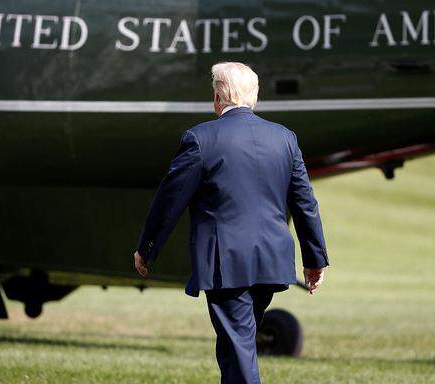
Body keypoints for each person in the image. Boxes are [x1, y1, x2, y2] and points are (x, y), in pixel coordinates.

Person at [133, 61, 329, 384]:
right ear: (254, 97)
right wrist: (315, 259)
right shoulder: (285, 139)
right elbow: (305, 203)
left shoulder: (200, 139)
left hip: (227, 265)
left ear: (217, 97)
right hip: (271, 262)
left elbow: (170, 200)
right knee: (234, 347)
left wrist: (147, 248)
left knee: (237, 349)